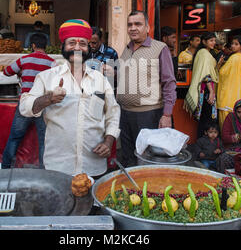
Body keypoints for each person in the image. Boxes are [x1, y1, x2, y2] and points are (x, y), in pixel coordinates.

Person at [19, 19, 120, 177]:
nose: (77, 47)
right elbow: (25, 107)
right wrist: (49, 99)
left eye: (82, 43)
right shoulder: (46, 77)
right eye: (72, 42)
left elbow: (112, 114)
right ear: (63, 47)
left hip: (93, 164)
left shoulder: (100, 80)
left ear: (88, 48)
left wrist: (108, 141)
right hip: (59, 165)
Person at [116, 11, 177, 167]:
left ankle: (148, 191)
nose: (133, 28)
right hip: (125, 114)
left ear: (148, 27)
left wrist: (167, 114)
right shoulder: (127, 49)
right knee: (128, 157)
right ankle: (131, 190)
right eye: (130, 24)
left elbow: (169, 82)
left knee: (148, 160)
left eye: (138, 24)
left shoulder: (159, 48)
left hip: (149, 115)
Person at [1, 33, 56, 169]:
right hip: (43, 105)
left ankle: (5, 168)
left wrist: (21, 72)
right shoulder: (52, 63)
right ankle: (45, 170)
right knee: (44, 141)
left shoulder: (24, 59)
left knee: (15, 138)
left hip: (26, 104)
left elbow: (6, 71)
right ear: (46, 46)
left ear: (32, 45)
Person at [185, 32, 222, 137]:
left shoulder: (203, 53)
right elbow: (206, 75)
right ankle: (204, 144)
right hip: (206, 89)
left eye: (214, 40)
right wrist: (211, 92)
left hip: (205, 89)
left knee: (205, 119)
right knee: (208, 119)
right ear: (204, 41)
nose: (213, 43)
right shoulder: (204, 53)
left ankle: (203, 144)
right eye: (211, 40)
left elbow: (210, 71)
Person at [217, 35, 241, 131]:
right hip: (240, 94)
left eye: (236, 44)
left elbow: (222, 74)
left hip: (229, 96)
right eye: (232, 43)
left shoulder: (234, 58)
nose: (232, 46)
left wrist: (219, 65)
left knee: (226, 126)